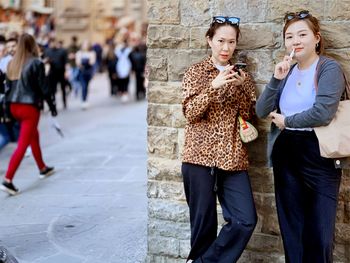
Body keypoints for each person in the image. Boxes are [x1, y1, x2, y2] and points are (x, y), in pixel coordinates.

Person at [255, 10, 346, 263]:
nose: (296, 40)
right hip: (286, 152)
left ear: (316, 38)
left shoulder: (329, 68)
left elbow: (323, 113)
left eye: (302, 34)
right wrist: (276, 78)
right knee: (292, 228)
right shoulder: (287, 72)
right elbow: (262, 110)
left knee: (319, 230)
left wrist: (288, 121)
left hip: (319, 153)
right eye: (290, 36)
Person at [182, 16, 257, 263]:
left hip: (233, 156)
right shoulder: (196, 72)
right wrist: (213, 87)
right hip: (198, 157)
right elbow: (190, 113)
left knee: (245, 220)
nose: (226, 48)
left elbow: (250, 117)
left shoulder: (242, 75)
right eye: (221, 41)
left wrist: (242, 88)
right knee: (203, 227)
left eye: (231, 42)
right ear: (210, 41)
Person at [0, 33, 57, 196]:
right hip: (29, 107)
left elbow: (8, 88)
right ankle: (8, 180)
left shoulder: (12, 63)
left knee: (33, 135)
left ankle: (42, 168)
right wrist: (52, 106)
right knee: (23, 144)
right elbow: (44, 88)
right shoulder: (36, 63)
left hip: (13, 106)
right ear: (33, 46)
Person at [75, 40, 96, 109]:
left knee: (86, 86)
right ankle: (83, 101)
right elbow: (78, 63)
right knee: (83, 86)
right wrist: (85, 62)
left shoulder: (92, 53)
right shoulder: (79, 53)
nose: (85, 46)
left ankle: (86, 99)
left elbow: (92, 62)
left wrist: (85, 62)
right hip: (82, 72)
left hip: (89, 72)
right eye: (84, 44)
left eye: (86, 44)